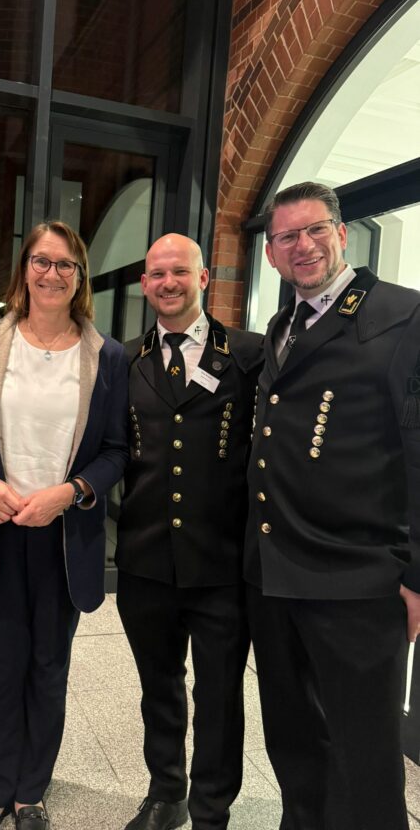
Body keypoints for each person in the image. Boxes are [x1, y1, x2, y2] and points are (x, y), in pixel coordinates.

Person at [245, 181, 420, 830]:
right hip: (276, 577)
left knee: (364, 758)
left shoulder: (404, 316)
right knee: (294, 741)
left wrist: (416, 573)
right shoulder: (282, 325)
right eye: (287, 236)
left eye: (315, 229)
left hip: (356, 581)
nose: (304, 245)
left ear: (343, 234)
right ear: (270, 254)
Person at [0, 220, 129, 830]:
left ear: (80, 277)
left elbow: (115, 450)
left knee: (49, 668)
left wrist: (69, 494)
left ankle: (31, 793)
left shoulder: (107, 356)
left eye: (65, 264)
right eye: (41, 262)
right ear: (24, 269)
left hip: (63, 536)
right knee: (1, 666)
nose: (52, 274)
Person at [116, 233, 263, 830]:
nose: (168, 283)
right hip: (145, 559)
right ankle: (166, 792)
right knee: (159, 686)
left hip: (221, 562)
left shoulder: (249, 353)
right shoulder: (123, 359)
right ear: (144, 284)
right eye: (157, 273)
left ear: (203, 278)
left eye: (180, 271)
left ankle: (210, 809)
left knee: (220, 694)